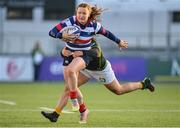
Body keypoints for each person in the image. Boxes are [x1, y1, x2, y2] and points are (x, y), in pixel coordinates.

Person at [41, 40, 155, 124]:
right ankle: (55, 114)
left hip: (101, 71)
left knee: (119, 90)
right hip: (86, 70)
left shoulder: (92, 42)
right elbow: (64, 53)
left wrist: (81, 53)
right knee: (68, 87)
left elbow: (96, 53)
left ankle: (144, 84)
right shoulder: (76, 41)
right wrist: (63, 52)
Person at [48, 3, 128, 110]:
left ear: (89, 14)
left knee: (71, 74)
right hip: (71, 53)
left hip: (84, 55)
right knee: (69, 83)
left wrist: (118, 42)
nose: (81, 15)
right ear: (76, 13)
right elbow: (52, 32)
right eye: (79, 13)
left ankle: (74, 100)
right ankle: (78, 108)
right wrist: (61, 35)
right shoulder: (70, 21)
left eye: (84, 13)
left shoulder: (94, 26)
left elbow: (107, 33)